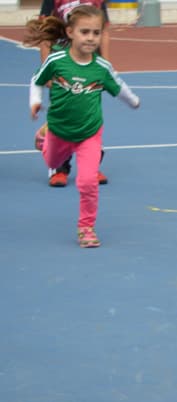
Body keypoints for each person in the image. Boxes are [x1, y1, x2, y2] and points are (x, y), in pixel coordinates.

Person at [26, 4, 140, 247]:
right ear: (70, 33)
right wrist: (36, 102)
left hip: (89, 132)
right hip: (59, 130)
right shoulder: (57, 60)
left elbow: (118, 88)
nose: (91, 38)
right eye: (85, 32)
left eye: (96, 33)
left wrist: (133, 101)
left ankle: (86, 227)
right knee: (52, 163)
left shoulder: (101, 67)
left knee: (87, 181)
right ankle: (44, 137)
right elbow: (37, 80)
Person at [37, 0, 112, 187]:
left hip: (89, 66)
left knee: (89, 113)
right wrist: (47, 67)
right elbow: (45, 32)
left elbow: (104, 32)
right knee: (64, 112)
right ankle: (59, 168)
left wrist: (106, 66)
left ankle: (91, 166)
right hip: (63, 66)